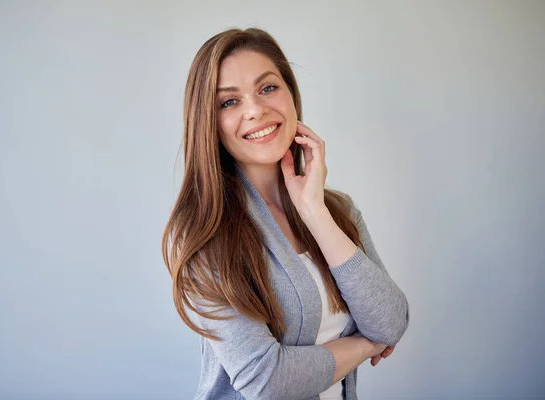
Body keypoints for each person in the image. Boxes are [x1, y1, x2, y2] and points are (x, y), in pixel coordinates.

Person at [162, 28, 409, 400]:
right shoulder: (205, 235)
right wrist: (365, 345)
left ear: (291, 95)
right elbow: (267, 382)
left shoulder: (338, 209)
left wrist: (314, 212)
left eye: (267, 88)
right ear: (208, 123)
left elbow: (390, 321)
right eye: (228, 102)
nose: (255, 110)